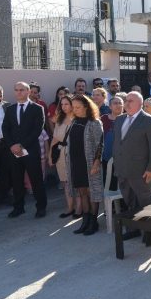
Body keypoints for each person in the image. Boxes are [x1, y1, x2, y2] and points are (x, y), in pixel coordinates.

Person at [113, 92, 151, 241]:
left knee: (145, 202)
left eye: (130, 101)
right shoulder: (120, 119)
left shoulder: (149, 121)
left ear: (140, 104)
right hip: (122, 169)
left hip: (140, 171)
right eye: (126, 101)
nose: (126, 104)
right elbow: (119, 143)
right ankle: (133, 229)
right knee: (129, 201)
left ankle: (149, 233)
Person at [2, 82, 48, 218]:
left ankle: (41, 207)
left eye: (21, 90)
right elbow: (5, 128)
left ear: (28, 91)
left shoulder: (37, 109)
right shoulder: (10, 109)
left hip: (31, 151)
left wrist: (21, 145)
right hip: (14, 151)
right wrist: (12, 145)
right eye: (16, 90)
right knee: (16, 180)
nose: (18, 92)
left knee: (36, 180)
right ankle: (18, 207)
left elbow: (37, 130)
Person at [66, 95, 104, 235]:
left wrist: (96, 163)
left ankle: (93, 222)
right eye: (73, 107)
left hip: (89, 163)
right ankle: (85, 221)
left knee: (92, 192)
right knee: (82, 193)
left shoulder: (94, 123)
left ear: (86, 107)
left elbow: (100, 144)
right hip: (76, 163)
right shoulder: (74, 121)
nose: (75, 110)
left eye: (78, 107)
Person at [48, 95, 78, 218]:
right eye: (62, 104)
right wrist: (51, 155)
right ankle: (70, 207)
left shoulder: (78, 119)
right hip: (61, 153)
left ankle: (80, 208)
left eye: (67, 104)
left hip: (75, 153)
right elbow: (55, 138)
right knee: (65, 182)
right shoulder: (59, 119)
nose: (64, 106)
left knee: (76, 182)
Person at [101, 96, 124, 195]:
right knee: (110, 184)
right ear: (110, 106)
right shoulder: (103, 119)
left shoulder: (128, 119)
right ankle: (112, 208)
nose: (118, 105)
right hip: (107, 157)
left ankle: (124, 207)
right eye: (115, 103)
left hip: (123, 158)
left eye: (120, 103)